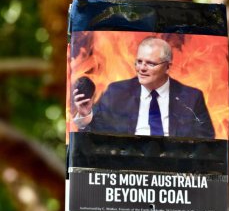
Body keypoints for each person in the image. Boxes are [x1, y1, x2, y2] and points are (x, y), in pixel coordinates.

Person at [73, 37, 215, 139]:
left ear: (167, 66)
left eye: (150, 64)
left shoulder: (191, 97)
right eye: (139, 62)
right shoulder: (117, 92)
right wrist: (86, 115)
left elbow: (206, 142)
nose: (142, 68)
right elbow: (93, 135)